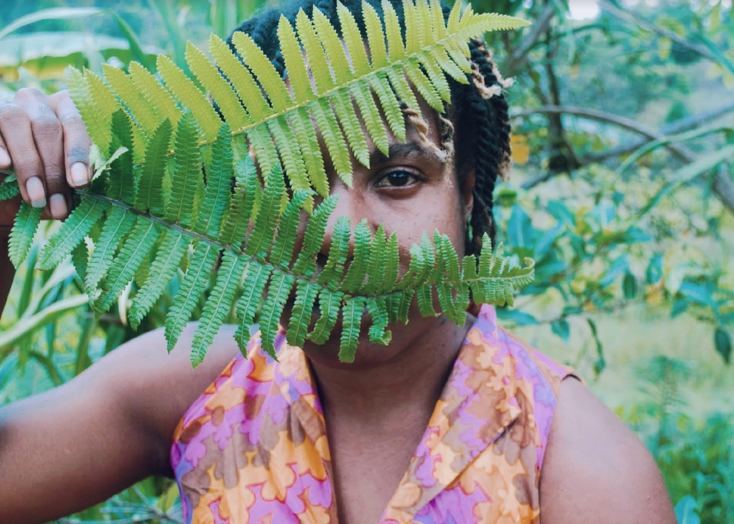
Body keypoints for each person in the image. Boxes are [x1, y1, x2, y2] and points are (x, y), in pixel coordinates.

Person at [0, 1, 676, 523]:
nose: (343, 233)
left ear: (467, 194)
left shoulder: (580, 470)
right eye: (292, 182)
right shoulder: (200, 388)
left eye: (399, 177)